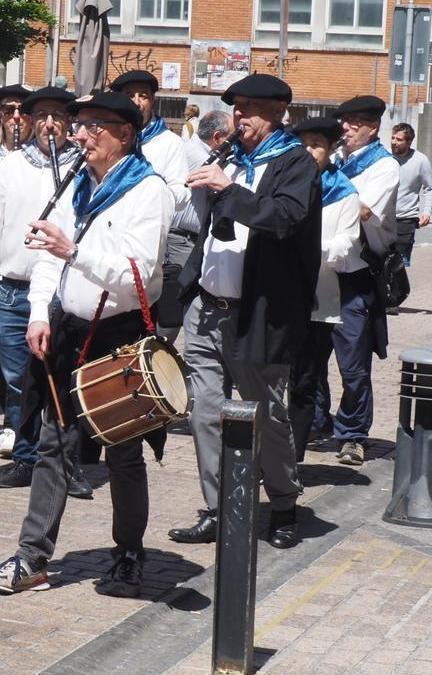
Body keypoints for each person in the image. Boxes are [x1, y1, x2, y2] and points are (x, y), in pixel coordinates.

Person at [0, 92, 171, 597]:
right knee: (53, 446)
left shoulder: (149, 191)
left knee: (123, 453)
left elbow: (137, 275)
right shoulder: (77, 183)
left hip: (119, 333)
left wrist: (76, 250)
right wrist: (41, 311)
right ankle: (32, 556)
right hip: (69, 330)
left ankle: (128, 553)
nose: (78, 135)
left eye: (92, 127)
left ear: (124, 135)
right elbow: (47, 255)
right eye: (79, 125)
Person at [168, 74, 319, 549]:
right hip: (207, 310)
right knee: (205, 415)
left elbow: (283, 218)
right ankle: (220, 507)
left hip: (258, 313)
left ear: (279, 114)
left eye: (252, 107)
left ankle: (282, 505)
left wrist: (228, 188)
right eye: (236, 107)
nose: (241, 115)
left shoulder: (296, 163)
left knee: (266, 415)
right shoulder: (230, 157)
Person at [0, 86, 80, 490]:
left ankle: (66, 463)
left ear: (69, 122)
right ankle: (27, 456)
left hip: (64, 291)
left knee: (62, 382)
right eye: (42, 115)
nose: (50, 124)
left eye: (58, 116)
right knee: (19, 382)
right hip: (14, 290)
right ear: (29, 121)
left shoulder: (81, 167)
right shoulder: (10, 166)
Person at [327, 95, 399, 465]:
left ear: (373, 127)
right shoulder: (336, 160)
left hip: (356, 275)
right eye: (343, 121)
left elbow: (363, 209)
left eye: (355, 122)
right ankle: (318, 421)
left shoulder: (383, 166)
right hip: (322, 272)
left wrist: (321, 179)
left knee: (353, 363)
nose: (346, 128)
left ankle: (353, 434)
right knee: (308, 356)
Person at [288, 117, 360, 462]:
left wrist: (304, 246)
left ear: (331, 149)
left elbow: (346, 247)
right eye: (302, 143)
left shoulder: (343, 192)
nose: (308, 151)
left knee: (304, 383)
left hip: (318, 302)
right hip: (276, 299)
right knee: (272, 383)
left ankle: (292, 460)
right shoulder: (283, 183)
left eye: (316, 144)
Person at [157, 111, 235, 343]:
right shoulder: (195, 155)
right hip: (180, 239)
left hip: (192, 239)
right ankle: (157, 354)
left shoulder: (204, 153)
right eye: (233, 135)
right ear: (218, 138)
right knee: (174, 302)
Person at [109, 70, 188, 213]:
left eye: (143, 96)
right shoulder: (108, 138)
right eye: (130, 95)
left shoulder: (171, 143)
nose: (136, 102)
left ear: (152, 101)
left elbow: (181, 194)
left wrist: (152, 194)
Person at [390, 122, 430, 268]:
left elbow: (429, 188)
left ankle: (399, 291)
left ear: (409, 142)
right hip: (383, 220)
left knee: (399, 266)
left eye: (399, 140)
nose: (394, 142)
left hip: (405, 221)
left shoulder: (420, 160)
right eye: (393, 138)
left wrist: (426, 211)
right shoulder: (386, 159)